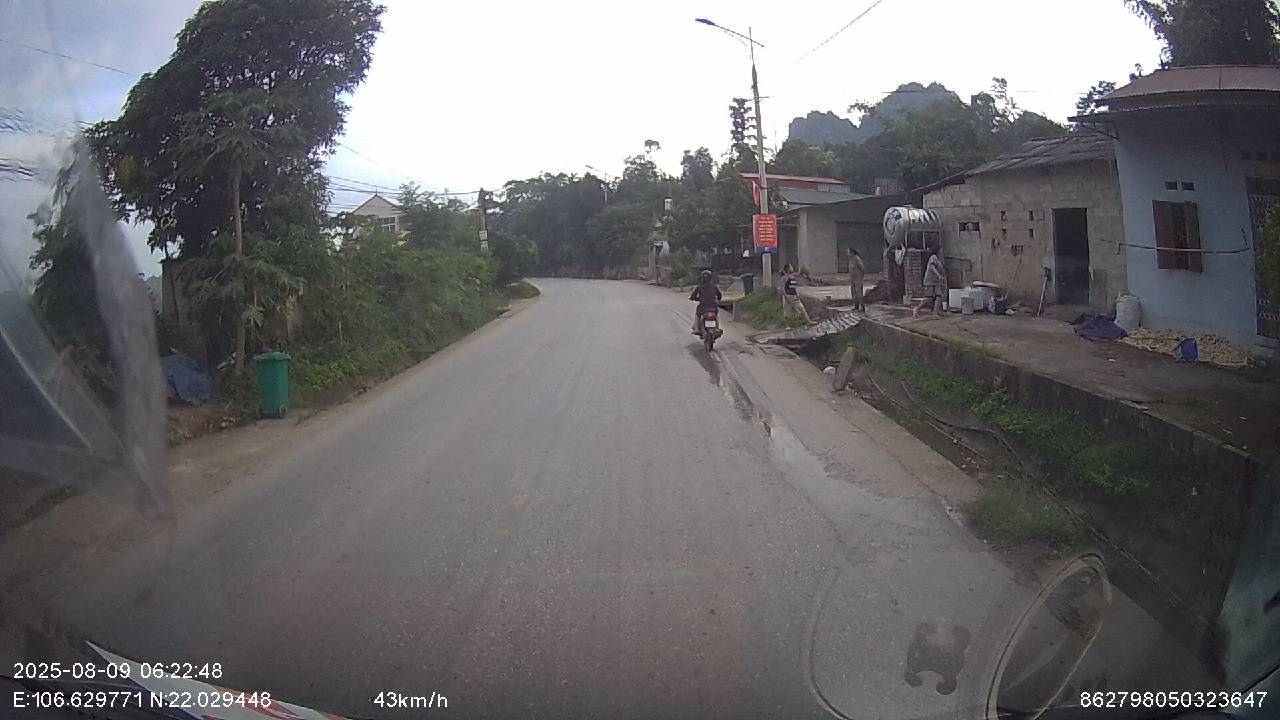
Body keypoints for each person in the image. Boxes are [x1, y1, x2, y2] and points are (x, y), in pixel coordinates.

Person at [912, 251, 948, 319]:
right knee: (929, 297)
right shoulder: (933, 257)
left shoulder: (939, 259)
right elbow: (932, 267)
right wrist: (938, 275)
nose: (941, 252)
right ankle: (917, 309)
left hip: (936, 282)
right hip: (930, 281)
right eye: (940, 250)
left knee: (939, 296)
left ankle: (935, 313)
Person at [690, 269, 722, 334]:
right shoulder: (714, 286)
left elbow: (693, 296)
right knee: (716, 315)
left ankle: (696, 328)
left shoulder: (699, 287)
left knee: (697, 315)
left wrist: (694, 298)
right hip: (713, 306)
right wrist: (718, 299)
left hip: (703, 306)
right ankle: (717, 327)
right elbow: (719, 295)